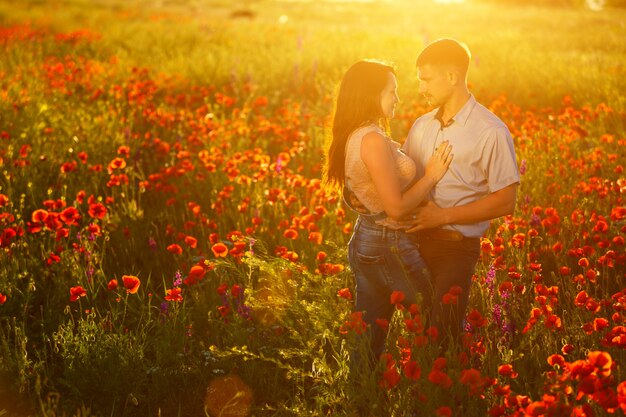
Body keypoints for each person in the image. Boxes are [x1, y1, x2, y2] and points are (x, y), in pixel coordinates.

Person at [324, 59, 453, 366]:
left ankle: (359, 400)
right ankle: (440, 391)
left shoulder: (355, 133)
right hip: (389, 244)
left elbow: (357, 188)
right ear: (371, 95)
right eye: (391, 91)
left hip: (368, 238)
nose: (398, 98)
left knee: (367, 340)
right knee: (434, 323)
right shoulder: (371, 139)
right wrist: (431, 176)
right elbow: (395, 208)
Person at [401, 38, 520, 347]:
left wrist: (441, 216)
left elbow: (506, 201)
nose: (421, 88)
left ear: (452, 77)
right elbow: (406, 179)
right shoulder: (421, 126)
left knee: (443, 339)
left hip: (455, 249)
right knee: (415, 339)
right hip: (411, 245)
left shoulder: (490, 131)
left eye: (426, 79)